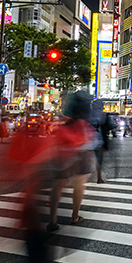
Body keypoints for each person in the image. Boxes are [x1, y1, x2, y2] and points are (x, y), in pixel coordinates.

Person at [47, 92, 99, 231]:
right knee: (79, 182)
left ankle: (52, 220)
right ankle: (75, 216)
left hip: (64, 148)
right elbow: (92, 126)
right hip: (82, 146)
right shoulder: (87, 108)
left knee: (58, 184)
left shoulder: (67, 106)